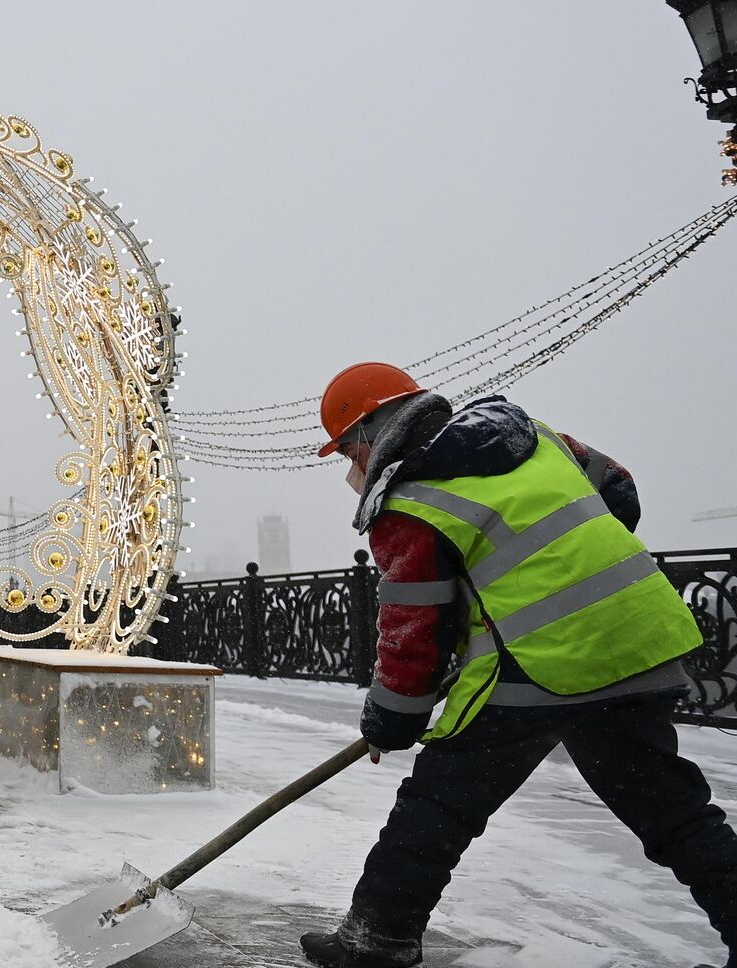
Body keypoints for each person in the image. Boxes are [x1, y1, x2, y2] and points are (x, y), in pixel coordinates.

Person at [300, 362, 734, 968]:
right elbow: (619, 489)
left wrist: (391, 721)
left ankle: (378, 940)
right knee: (676, 813)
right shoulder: (529, 434)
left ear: (371, 434)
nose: (349, 467)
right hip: (641, 637)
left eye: (346, 451)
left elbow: (413, 634)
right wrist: (563, 575)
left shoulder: (408, 502)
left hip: (542, 664)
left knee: (439, 804)